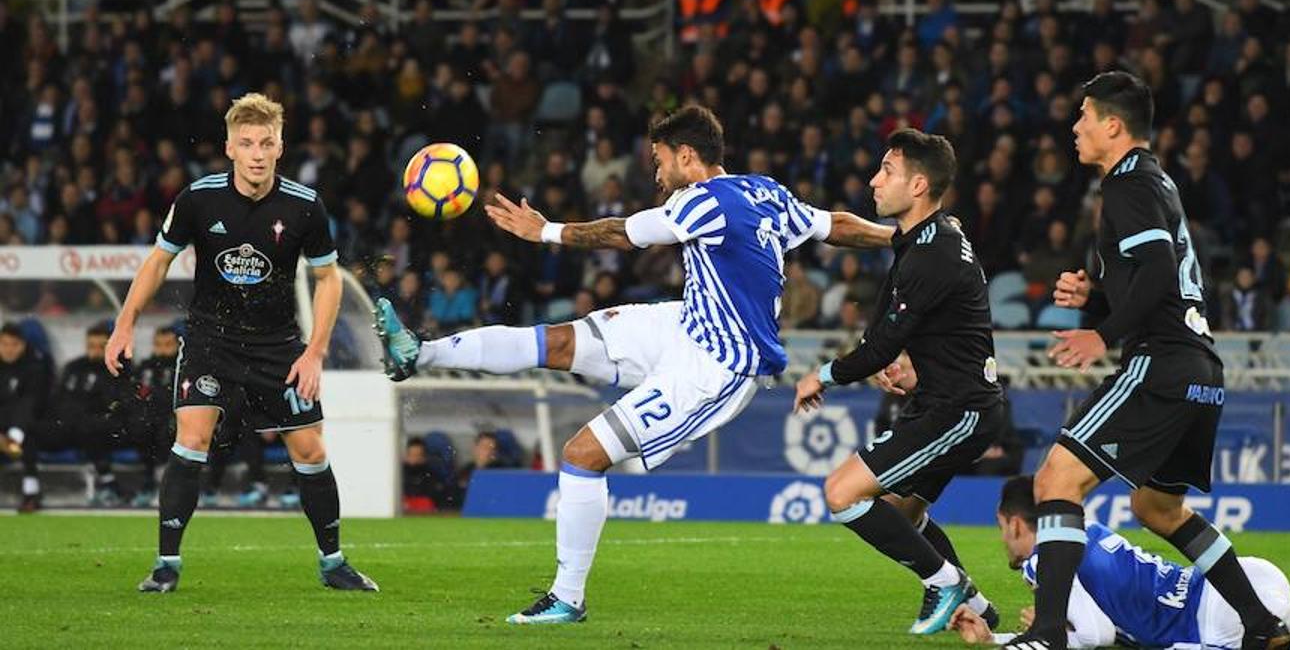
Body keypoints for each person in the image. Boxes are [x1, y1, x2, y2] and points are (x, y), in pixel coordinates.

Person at [374, 104, 895, 624]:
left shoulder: (701, 201)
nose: (657, 173)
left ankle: (567, 598)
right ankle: (421, 353)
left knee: (582, 455)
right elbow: (836, 225)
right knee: (557, 342)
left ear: (686, 155)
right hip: (686, 323)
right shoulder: (765, 191)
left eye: (659, 160)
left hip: (716, 365)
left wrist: (546, 231)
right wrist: (899, 236)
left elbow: (622, 234)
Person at [1001, 73, 1290, 650]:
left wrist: (1101, 334)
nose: (1075, 126)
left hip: (1160, 362)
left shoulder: (1126, 185)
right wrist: (1096, 296)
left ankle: (1050, 633)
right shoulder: (1156, 181)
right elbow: (1164, 280)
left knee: (1056, 479)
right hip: (1200, 371)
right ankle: (1261, 625)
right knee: (1157, 507)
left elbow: (1158, 270)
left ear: (1113, 125)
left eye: (1084, 116)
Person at [104, 92, 376, 593]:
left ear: (280, 148)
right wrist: (125, 324)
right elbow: (158, 261)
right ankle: (166, 566)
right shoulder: (197, 199)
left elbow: (329, 280)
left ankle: (333, 563)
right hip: (211, 339)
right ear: (229, 147)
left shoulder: (305, 206)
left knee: (311, 449)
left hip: (278, 345)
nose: (256, 153)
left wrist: (314, 352)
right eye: (246, 143)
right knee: (191, 439)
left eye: (266, 143)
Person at [793, 129, 1004, 635]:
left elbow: (880, 345)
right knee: (899, 513)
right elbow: (902, 327)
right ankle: (978, 608)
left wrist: (822, 375)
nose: (874, 180)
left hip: (958, 410)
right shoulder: (926, 240)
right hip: (946, 401)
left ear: (918, 185)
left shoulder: (933, 252)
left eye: (887, 170)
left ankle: (945, 582)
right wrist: (905, 358)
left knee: (842, 493)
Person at [949, 476, 1290, 649]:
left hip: (1213, 621)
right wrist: (995, 638)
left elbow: (1096, 634)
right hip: (1237, 581)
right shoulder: (1090, 529)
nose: (1003, 539)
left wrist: (1042, 631)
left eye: (1002, 528)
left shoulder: (1043, 561)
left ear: (1015, 523)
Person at [32, 323, 123, 506]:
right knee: (30, 429)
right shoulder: (73, 367)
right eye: (91, 346)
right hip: (66, 426)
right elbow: (57, 399)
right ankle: (30, 487)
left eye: (101, 347)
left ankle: (108, 483)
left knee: (90, 426)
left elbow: (113, 405)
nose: (95, 351)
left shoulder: (116, 370)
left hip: (96, 428)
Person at [123, 326, 181, 505]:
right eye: (158, 344)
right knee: (140, 426)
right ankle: (149, 481)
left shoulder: (182, 367)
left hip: (174, 418)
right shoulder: (145, 368)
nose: (162, 350)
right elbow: (134, 395)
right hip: (148, 417)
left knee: (166, 432)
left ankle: (167, 485)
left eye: (168, 344)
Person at [0, 323, 50, 511]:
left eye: (14, 344)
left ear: (22, 345)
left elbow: (32, 402)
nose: (8, 349)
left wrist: (15, 435)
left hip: (26, 424)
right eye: (4, 344)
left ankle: (31, 493)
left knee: (29, 437)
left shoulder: (35, 367)